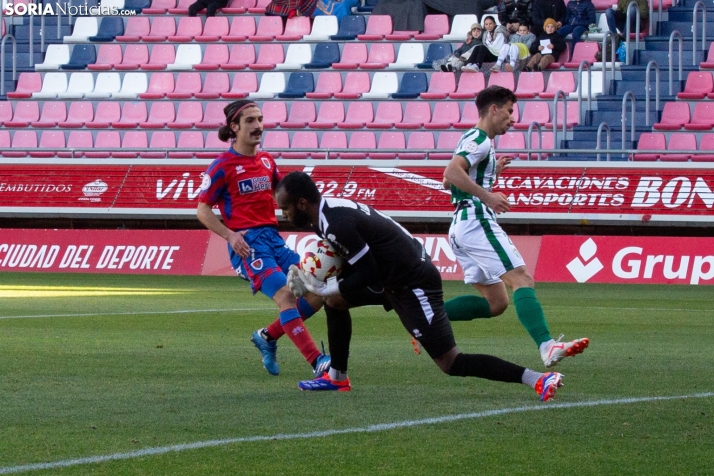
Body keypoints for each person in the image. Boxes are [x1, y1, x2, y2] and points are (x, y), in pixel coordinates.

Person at [277, 171, 567, 402]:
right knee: (337, 302)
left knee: (450, 362)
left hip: (413, 282)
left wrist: (324, 287)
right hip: (391, 277)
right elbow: (356, 262)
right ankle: (337, 378)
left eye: (286, 208)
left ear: (302, 203)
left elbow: (367, 270)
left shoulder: (335, 222)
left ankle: (537, 378)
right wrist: (314, 276)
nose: (284, 215)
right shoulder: (326, 214)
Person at [442, 85, 589, 369]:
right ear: (493, 109)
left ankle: (425, 317)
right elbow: (450, 173)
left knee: (497, 303)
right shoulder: (480, 139)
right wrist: (488, 195)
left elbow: (450, 182)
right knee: (522, 278)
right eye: (509, 111)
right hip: (476, 220)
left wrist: (488, 173)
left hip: (461, 225)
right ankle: (548, 346)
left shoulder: (474, 140)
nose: (512, 118)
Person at [196, 100, 330, 378]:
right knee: (286, 296)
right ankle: (318, 362)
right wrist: (230, 235)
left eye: (260, 119)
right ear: (234, 127)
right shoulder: (221, 166)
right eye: (250, 121)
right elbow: (202, 209)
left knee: (319, 292)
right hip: (249, 246)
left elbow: (283, 196)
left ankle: (268, 336)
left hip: (274, 240)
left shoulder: (267, 160)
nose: (258, 126)